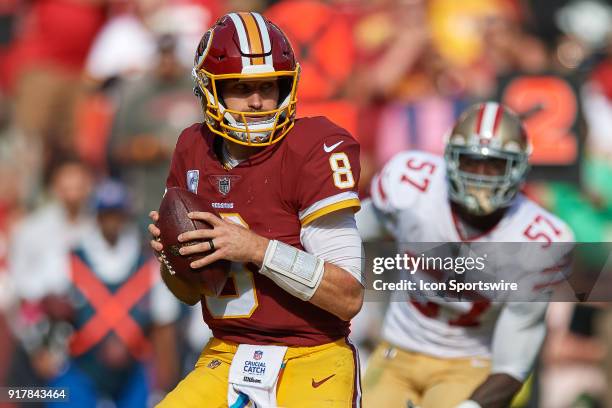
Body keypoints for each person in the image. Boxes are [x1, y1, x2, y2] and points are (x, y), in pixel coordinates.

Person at [148, 12, 364, 408]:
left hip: (312, 355)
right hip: (226, 353)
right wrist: (172, 258)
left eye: (269, 86)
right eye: (241, 88)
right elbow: (189, 293)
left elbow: (348, 297)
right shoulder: (192, 147)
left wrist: (255, 249)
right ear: (209, 90)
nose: (258, 101)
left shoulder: (314, 146)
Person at [356, 102, 574, 408]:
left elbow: (513, 365)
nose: (482, 178)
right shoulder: (412, 187)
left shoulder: (539, 240)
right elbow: (346, 238)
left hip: (468, 362)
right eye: (472, 163)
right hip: (396, 350)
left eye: (495, 166)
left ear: (519, 167)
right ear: (450, 158)